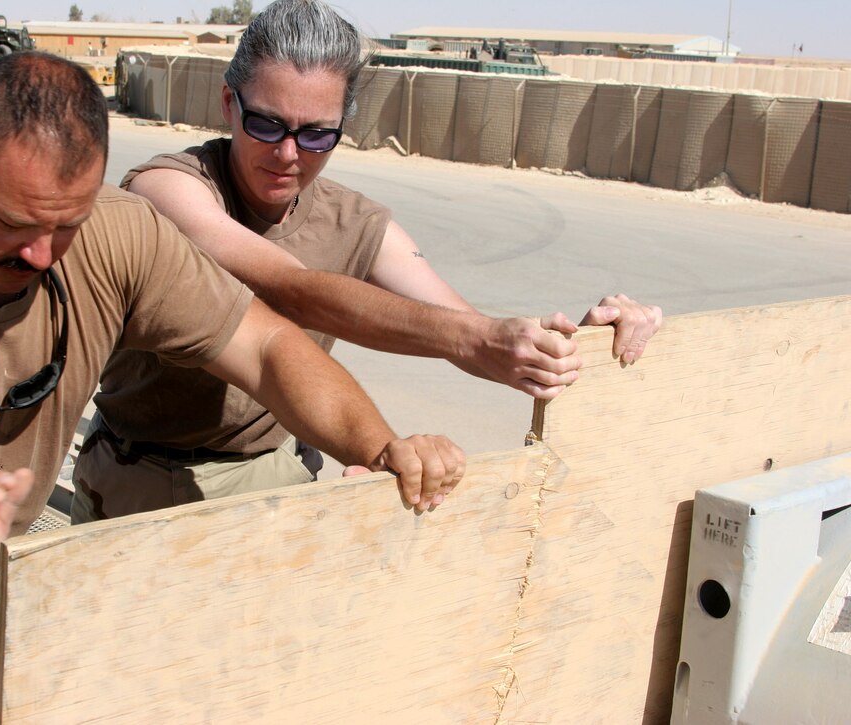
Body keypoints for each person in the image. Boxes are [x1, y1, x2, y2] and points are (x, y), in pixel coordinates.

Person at [0, 51, 463, 722]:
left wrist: (381, 445)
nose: (39, 254)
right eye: (12, 223)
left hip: (4, 567)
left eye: (64, 226)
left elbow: (269, 346)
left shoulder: (113, 231)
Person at [71, 0, 663, 523]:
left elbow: (465, 328)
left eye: (316, 135)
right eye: (265, 124)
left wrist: (568, 348)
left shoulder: (356, 222)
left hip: (271, 481)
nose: (287, 154)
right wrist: (481, 338)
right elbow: (290, 288)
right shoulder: (167, 189)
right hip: (135, 479)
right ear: (228, 104)